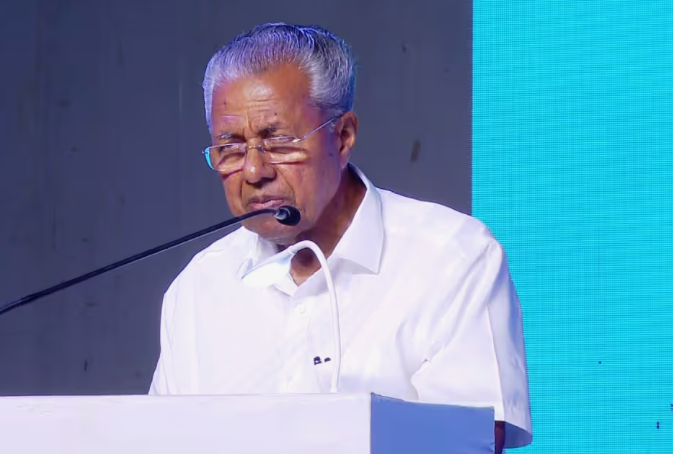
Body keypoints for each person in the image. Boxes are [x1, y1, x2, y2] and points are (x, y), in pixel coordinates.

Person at [149, 22, 532, 452]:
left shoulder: (452, 259)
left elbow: (470, 441)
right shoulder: (198, 288)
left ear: (343, 136)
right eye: (231, 148)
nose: (254, 171)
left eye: (279, 142)